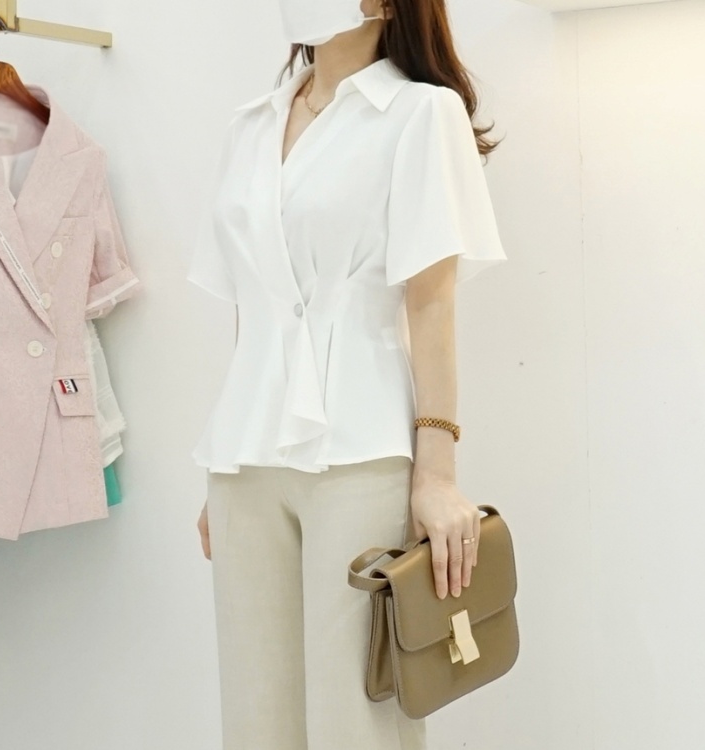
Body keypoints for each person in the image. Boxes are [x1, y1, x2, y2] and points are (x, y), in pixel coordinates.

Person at [187, 1, 508, 748]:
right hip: (244, 463)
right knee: (256, 722)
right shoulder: (251, 124)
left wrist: (436, 475)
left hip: (359, 454)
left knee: (356, 725)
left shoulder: (420, 114)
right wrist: (232, 446)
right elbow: (253, 305)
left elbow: (431, 302)